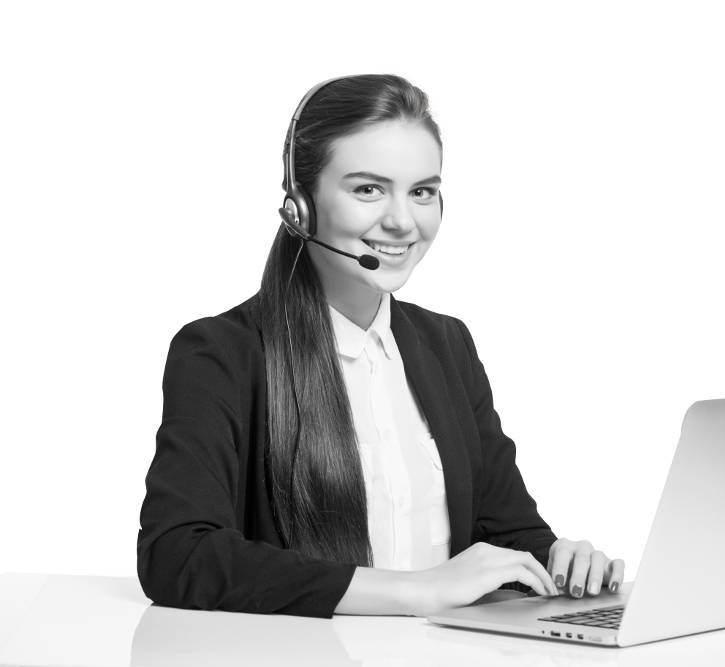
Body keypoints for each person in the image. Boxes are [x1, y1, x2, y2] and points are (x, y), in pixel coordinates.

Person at [137, 73, 625, 618]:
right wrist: (416, 591)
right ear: (299, 204)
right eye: (368, 188)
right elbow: (178, 555)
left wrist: (561, 559)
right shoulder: (222, 353)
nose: (401, 222)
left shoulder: (447, 344)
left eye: (422, 192)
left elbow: (505, 529)